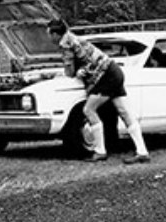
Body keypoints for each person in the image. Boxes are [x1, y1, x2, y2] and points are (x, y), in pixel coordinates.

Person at [48, 18, 151, 164]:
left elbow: (70, 70)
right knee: (124, 112)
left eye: (49, 34)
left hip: (104, 78)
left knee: (89, 110)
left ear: (55, 34)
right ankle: (142, 151)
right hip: (114, 71)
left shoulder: (66, 45)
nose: (49, 37)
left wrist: (77, 72)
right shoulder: (74, 38)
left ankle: (100, 151)